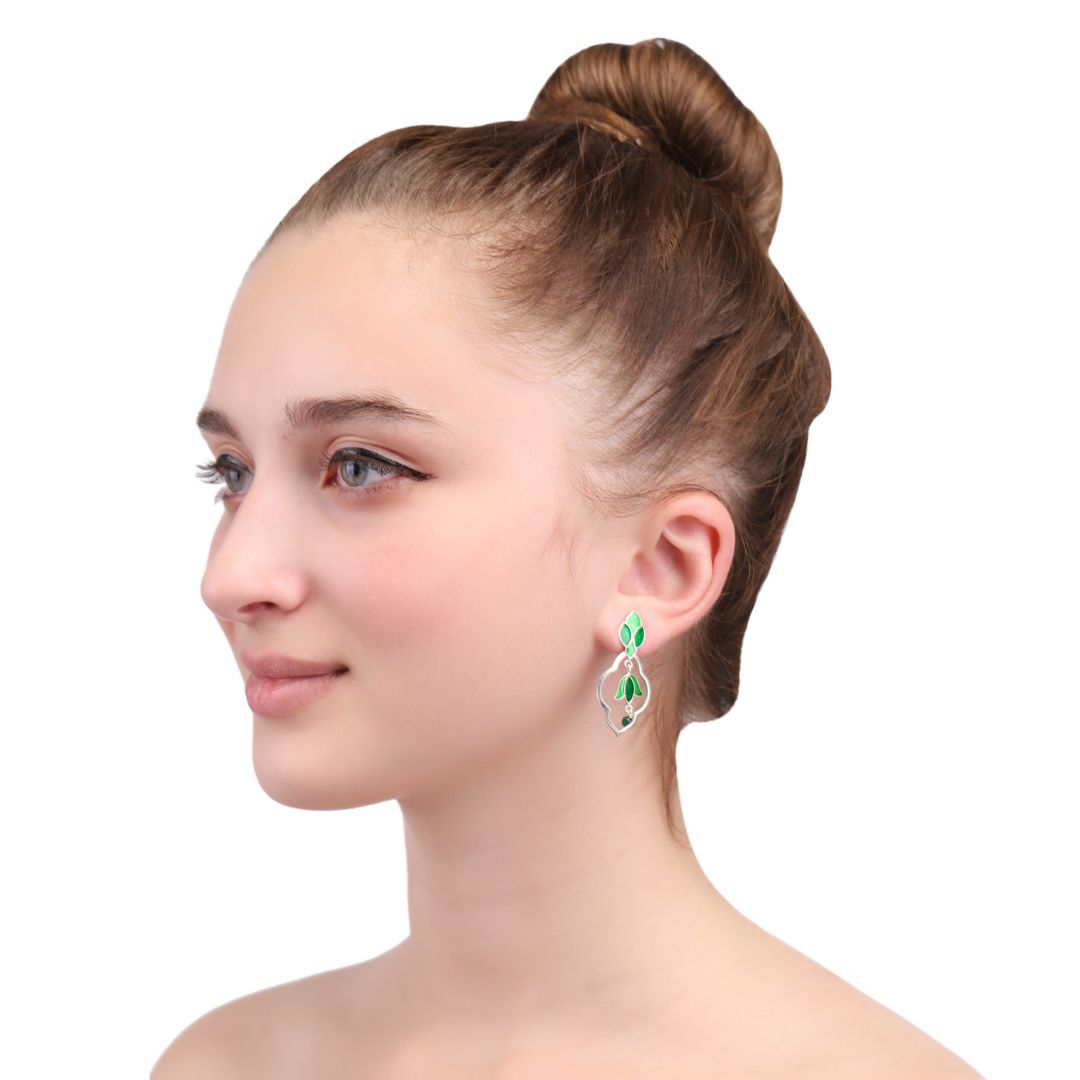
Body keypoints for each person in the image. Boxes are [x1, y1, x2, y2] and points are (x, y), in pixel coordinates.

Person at [152, 37, 983, 1079]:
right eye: (230, 474)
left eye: (359, 466)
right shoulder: (222, 1065)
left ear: (662, 567)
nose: (229, 578)